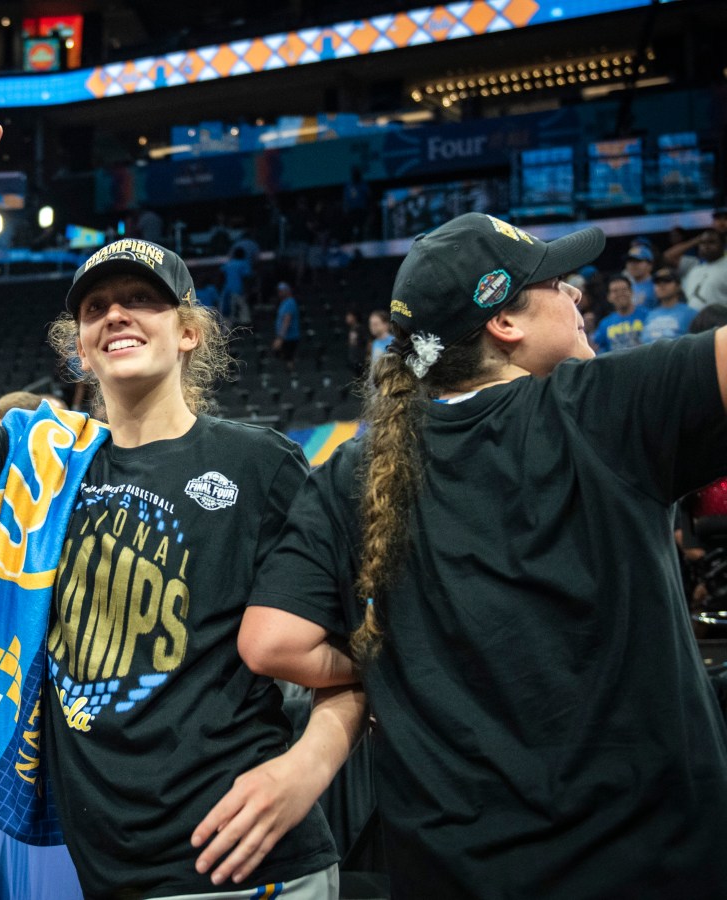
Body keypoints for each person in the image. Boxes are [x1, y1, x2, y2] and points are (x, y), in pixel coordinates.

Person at [0, 105, 362, 900]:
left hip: (252, 868)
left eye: (142, 299)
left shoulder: (259, 462)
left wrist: (309, 766)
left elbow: (359, 647)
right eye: (96, 308)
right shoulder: (44, 460)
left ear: (190, 333)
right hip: (108, 871)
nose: (115, 315)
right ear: (81, 345)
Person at [241, 212, 727, 898]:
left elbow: (271, 642)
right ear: (506, 322)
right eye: (558, 284)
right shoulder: (602, 403)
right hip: (650, 862)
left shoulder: (354, 470)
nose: (578, 297)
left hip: (451, 869)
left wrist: (395, 659)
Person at [642, 265, 697, 344]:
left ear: (678, 286)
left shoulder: (691, 314)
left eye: (667, 280)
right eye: (657, 282)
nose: (661, 285)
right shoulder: (649, 315)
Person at [591, 273, 645, 353]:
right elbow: (595, 349)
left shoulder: (647, 316)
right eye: (615, 291)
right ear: (609, 297)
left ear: (632, 292)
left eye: (624, 290)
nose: (620, 294)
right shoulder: (604, 324)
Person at [271, 281, 301, 370]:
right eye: (279, 291)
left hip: (289, 338)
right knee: (281, 359)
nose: (280, 292)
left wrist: (280, 338)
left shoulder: (290, 302)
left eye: (282, 290)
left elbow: (286, 321)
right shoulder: (284, 303)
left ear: (288, 291)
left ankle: (290, 378)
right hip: (285, 338)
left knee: (289, 360)